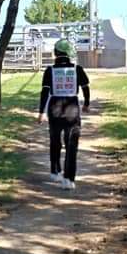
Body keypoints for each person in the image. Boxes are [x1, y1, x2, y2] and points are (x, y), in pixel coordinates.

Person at [37, 39, 90, 191]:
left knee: (55, 141)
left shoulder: (50, 70)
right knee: (71, 144)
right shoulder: (77, 69)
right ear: (69, 53)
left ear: (55, 53)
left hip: (54, 108)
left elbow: (44, 92)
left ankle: (55, 171)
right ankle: (69, 179)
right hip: (72, 109)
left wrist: (41, 112)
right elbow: (85, 87)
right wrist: (86, 103)